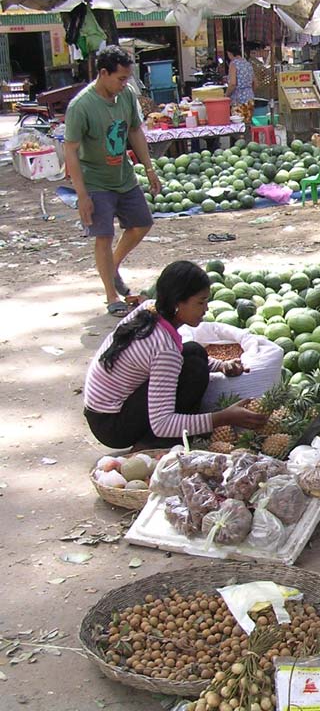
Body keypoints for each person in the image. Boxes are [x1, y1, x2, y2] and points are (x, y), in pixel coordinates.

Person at [84, 261, 267, 450]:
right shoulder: (164, 348)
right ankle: (151, 445)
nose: (205, 309)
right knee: (195, 369)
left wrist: (219, 365)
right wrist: (222, 418)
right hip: (113, 425)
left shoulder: (149, 309)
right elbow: (162, 423)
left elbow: (174, 354)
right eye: (200, 302)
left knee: (195, 352)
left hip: (100, 412)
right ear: (178, 303)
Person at [65, 45, 160, 318]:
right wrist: (82, 195)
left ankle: (112, 266)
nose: (124, 84)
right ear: (103, 73)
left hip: (124, 176)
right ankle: (111, 295)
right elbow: (70, 150)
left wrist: (150, 169)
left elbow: (134, 131)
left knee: (142, 224)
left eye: (127, 79)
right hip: (95, 181)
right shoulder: (81, 106)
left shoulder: (127, 95)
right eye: (120, 79)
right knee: (103, 237)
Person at [225, 45, 255, 123]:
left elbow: (232, 84)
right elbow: (255, 82)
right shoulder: (248, 64)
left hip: (238, 99)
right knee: (247, 124)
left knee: (238, 126)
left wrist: (226, 95)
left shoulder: (234, 64)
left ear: (230, 53)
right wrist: (249, 91)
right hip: (250, 98)